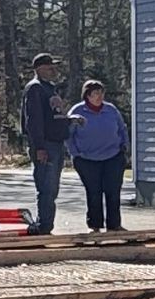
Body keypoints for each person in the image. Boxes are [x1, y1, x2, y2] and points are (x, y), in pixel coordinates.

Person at [67, 78, 129, 233]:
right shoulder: (77, 112)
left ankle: (114, 225)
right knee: (94, 192)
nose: (99, 96)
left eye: (101, 93)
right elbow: (68, 135)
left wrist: (124, 146)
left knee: (113, 191)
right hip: (87, 159)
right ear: (87, 96)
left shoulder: (111, 110)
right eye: (95, 93)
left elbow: (122, 128)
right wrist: (75, 154)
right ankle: (95, 226)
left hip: (113, 156)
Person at [21, 52, 71, 233]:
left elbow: (53, 117)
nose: (54, 70)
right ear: (39, 68)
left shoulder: (50, 88)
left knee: (53, 189)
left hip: (56, 144)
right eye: (50, 66)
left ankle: (46, 225)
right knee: (46, 188)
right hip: (45, 145)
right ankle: (43, 227)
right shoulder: (35, 89)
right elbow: (33, 121)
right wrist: (39, 147)